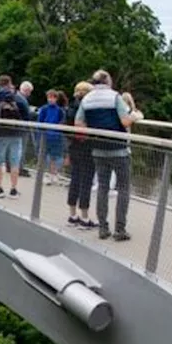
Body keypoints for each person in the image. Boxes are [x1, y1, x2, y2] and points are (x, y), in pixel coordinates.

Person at [76, 70, 135, 240]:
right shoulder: (114, 97)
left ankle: (103, 227)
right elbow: (125, 121)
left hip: (98, 149)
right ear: (108, 81)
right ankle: (120, 229)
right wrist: (136, 116)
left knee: (102, 187)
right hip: (118, 149)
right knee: (124, 188)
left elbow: (79, 124)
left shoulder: (87, 99)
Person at [0, 75, 30, 198]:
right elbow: (26, 115)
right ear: (10, 83)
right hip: (16, 133)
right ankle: (13, 189)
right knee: (14, 162)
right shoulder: (18, 98)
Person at [66, 82, 97, 229]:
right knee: (86, 181)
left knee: (75, 179)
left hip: (73, 146)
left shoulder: (70, 107)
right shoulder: (87, 108)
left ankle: (72, 215)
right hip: (87, 147)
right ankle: (84, 218)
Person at [37, 90, 67, 185]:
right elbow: (40, 121)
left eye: (53, 98)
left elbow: (61, 122)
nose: (50, 100)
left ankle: (53, 174)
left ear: (56, 99)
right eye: (49, 97)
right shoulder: (44, 109)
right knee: (44, 156)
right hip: (45, 136)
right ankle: (45, 174)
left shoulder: (60, 110)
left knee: (54, 157)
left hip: (56, 136)